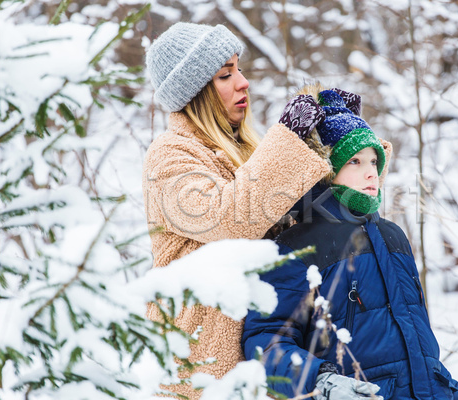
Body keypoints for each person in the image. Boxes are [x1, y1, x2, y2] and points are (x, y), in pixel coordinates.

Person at [142, 23, 334, 399]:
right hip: (200, 375)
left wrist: (338, 143)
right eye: (225, 75)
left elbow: (319, 223)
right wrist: (289, 140)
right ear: (196, 93)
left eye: (239, 69)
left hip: (271, 357)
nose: (243, 82)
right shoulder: (169, 157)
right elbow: (230, 219)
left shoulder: (250, 149)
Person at [242, 87, 458, 400]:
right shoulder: (296, 246)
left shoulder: (393, 236)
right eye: (354, 161)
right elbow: (265, 341)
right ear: (325, 170)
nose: (370, 172)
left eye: (374, 160)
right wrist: (320, 379)